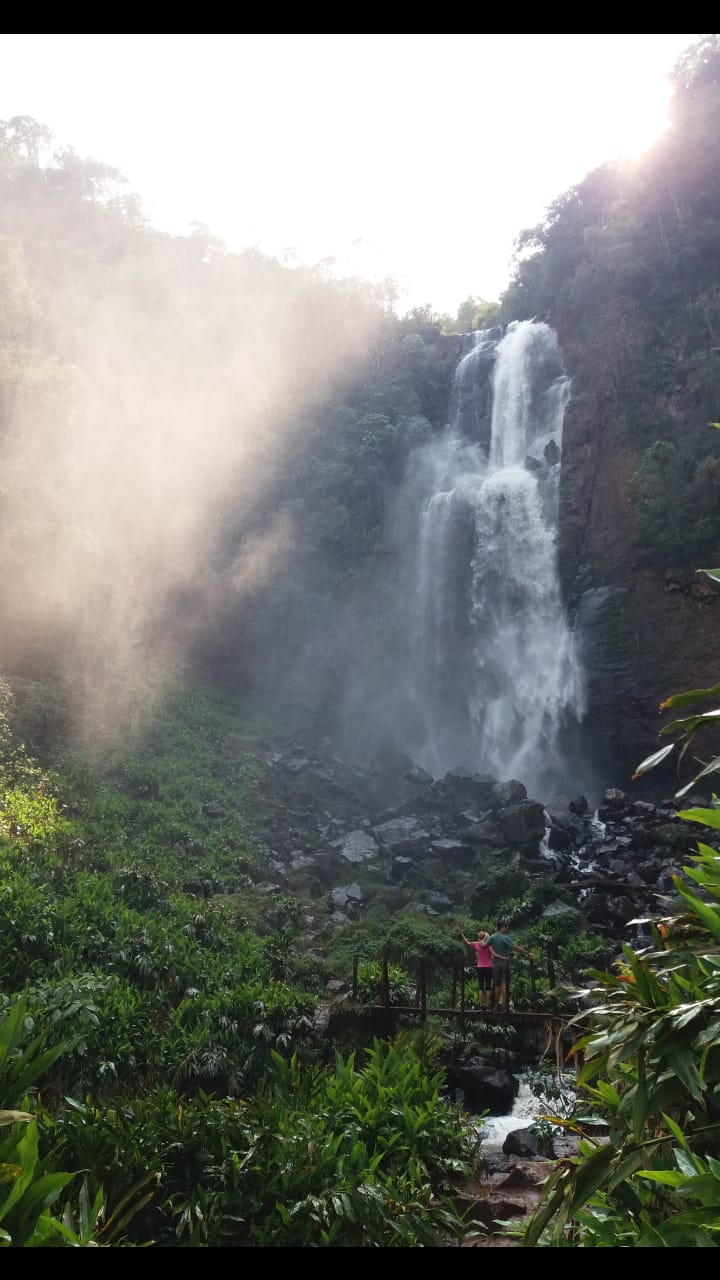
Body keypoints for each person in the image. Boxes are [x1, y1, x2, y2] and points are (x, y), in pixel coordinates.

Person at [488, 921, 534, 1014]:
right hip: (504, 962)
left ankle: (496, 1006)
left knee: (496, 985)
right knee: (504, 984)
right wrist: (528, 953)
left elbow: (486, 946)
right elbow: (515, 947)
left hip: (495, 963)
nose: (506, 929)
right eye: (505, 927)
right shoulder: (505, 938)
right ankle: (505, 1007)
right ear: (501, 928)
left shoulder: (492, 937)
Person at [459, 927, 493, 1008]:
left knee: (481, 987)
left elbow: (467, 942)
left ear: (478, 937)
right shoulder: (488, 945)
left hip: (480, 967)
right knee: (488, 986)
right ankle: (488, 1004)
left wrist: (462, 934)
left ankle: (481, 1004)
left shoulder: (476, 944)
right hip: (488, 967)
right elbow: (492, 954)